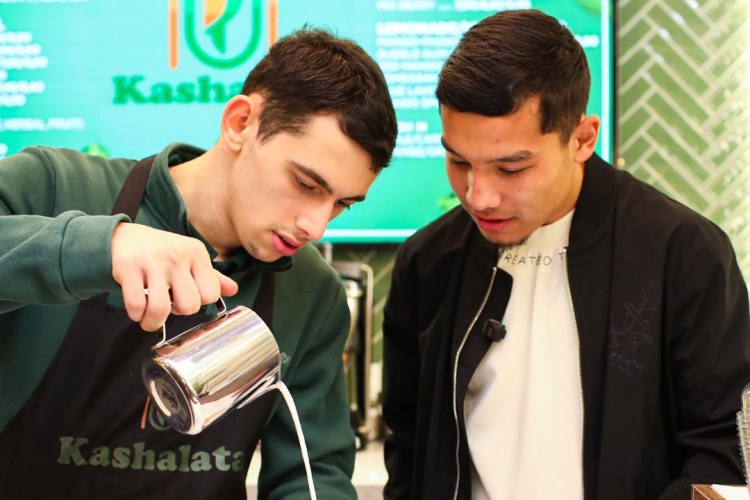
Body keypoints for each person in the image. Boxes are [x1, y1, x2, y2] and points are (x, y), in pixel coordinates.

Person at [0, 28, 397, 499]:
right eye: (306, 184)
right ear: (240, 123)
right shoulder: (53, 186)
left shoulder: (314, 293)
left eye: (341, 204)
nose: (316, 225)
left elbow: (312, 475)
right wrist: (96, 247)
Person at [381, 9, 749, 500]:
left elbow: (722, 453)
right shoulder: (428, 262)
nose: (478, 196)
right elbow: (408, 452)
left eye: (511, 169)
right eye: (459, 160)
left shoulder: (684, 254)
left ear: (582, 139)